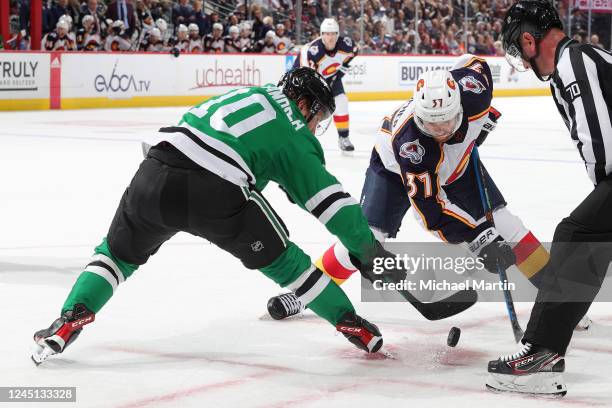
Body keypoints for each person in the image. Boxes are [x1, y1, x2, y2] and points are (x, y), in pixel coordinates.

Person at [31, 67, 393, 366]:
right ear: (303, 103)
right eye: (318, 116)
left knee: (115, 255)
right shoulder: (296, 132)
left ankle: (67, 321)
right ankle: (351, 323)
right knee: (287, 263)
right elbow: (330, 202)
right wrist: (366, 249)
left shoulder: (246, 94)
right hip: (217, 191)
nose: (316, 126)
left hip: (155, 170)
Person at [267, 55, 553, 321]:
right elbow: (431, 213)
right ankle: (305, 294)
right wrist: (479, 238)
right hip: (392, 169)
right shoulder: (411, 147)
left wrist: (477, 124)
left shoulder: (475, 90)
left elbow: (472, 62)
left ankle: (559, 297)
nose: (440, 130)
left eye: (447, 121)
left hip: (458, 166)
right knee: (369, 237)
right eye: (431, 123)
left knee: (505, 223)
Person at [487, 0, 612, 396]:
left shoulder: (575, 61)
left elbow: (606, 147)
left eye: (518, 49)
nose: (522, 61)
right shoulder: (577, 63)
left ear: (529, 39)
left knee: (578, 235)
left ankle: (541, 354)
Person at [293, 18, 358, 152]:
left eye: (333, 33)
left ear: (338, 34)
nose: (330, 37)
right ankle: (302, 139)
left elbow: (354, 52)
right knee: (309, 111)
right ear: (321, 34)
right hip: (306, 79)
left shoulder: (346, 44)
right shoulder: (314, 52)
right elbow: (307, 76)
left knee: (341, 102)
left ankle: (343, 138)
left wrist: (341, 71)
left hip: (330, 78)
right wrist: (319, 94)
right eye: (327, 34)